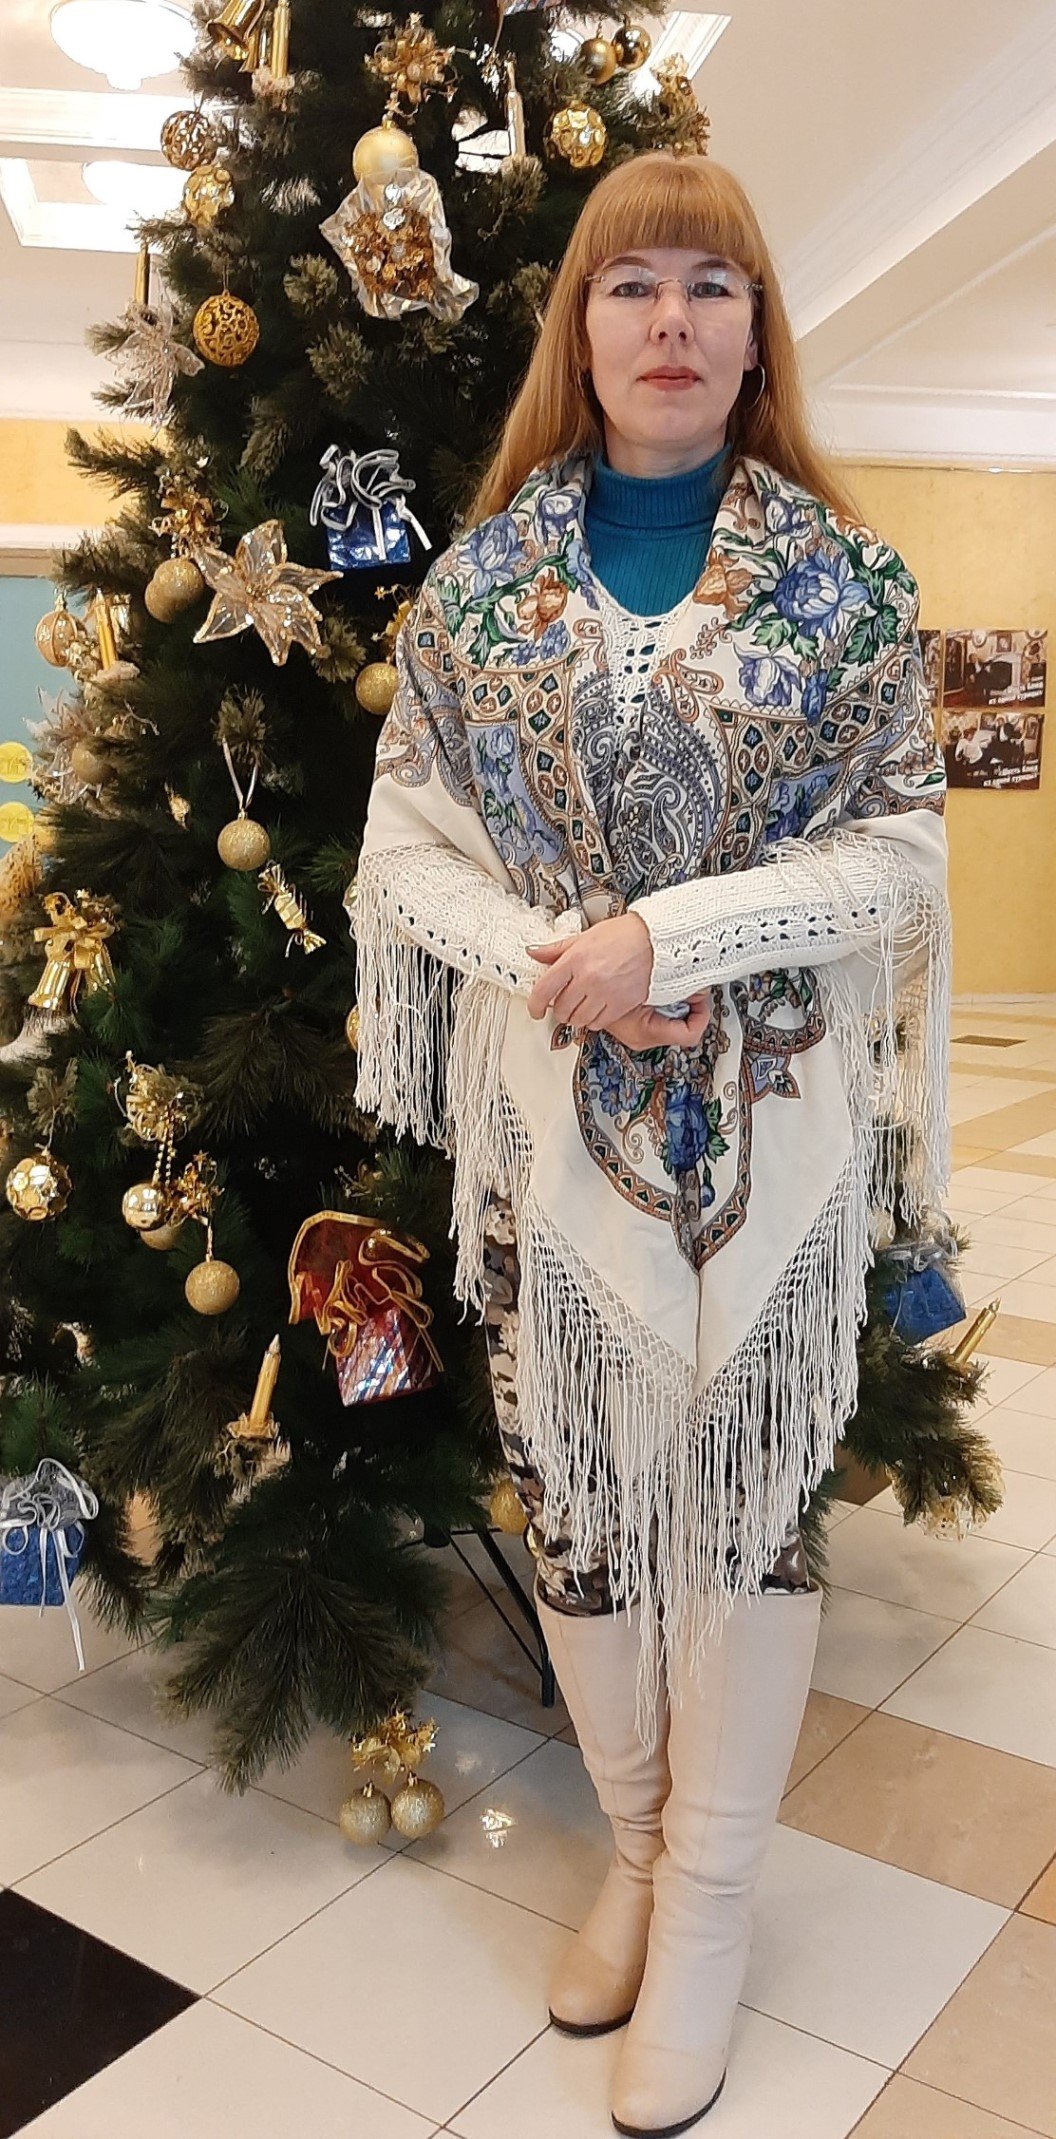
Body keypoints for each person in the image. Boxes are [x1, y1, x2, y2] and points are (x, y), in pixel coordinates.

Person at [349, 151, 950, 2137]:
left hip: (775, 1142)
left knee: (750, 1509)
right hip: (551, 1136)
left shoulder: (848, 590)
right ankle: (634, 1848)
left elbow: (898, 851)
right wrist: (566, 965)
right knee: (582, 1505)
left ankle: (710, 1904)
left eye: (711, 283)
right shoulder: (478, 589)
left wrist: (671, 939)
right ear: (580, 328)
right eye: (631, 286)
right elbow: (402, 854)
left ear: (757, 331)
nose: (671, 319)